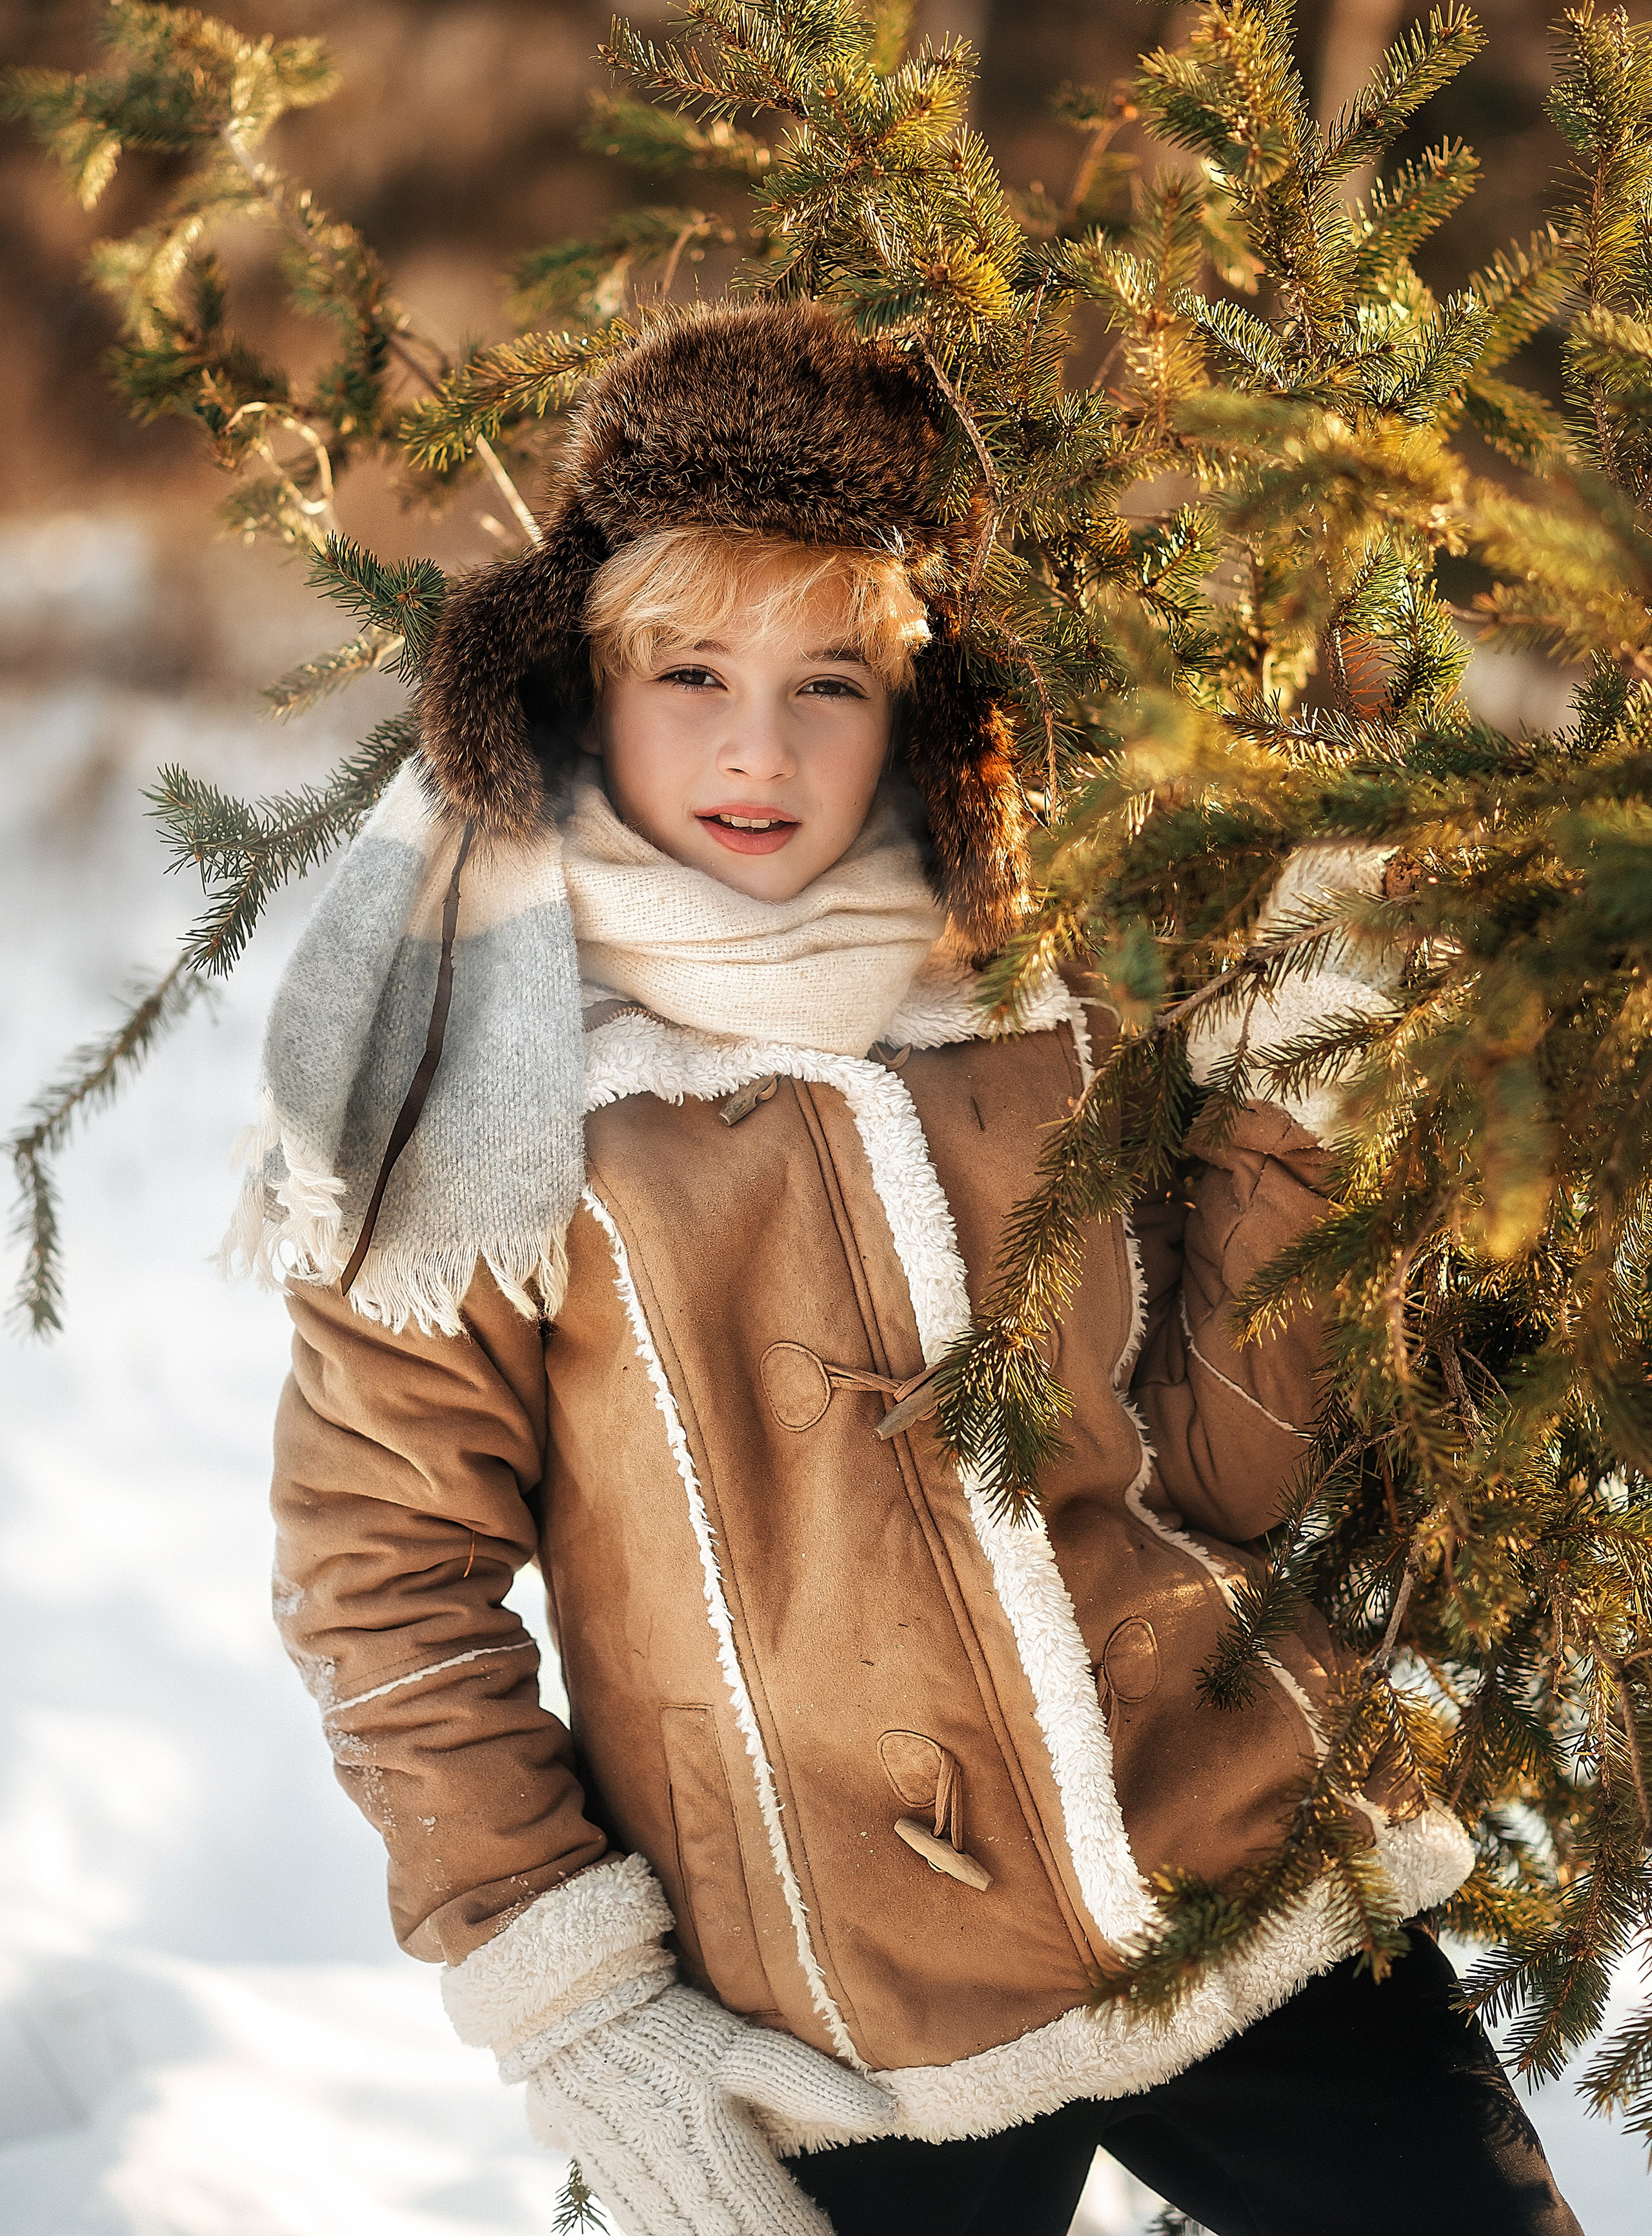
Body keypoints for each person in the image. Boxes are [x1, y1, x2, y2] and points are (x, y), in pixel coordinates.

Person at [236, 303, 1583, 2235]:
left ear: (923, 701)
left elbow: (1240, 1460)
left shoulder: (1063, 992)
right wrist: (573, 1988)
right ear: (578, 670)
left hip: (1238, 1869)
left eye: (832, 683)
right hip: (824, 1997)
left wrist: (1312, 1101)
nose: (758, 749)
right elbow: (389, 1583)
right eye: (690, 669)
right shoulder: (471, 1080)